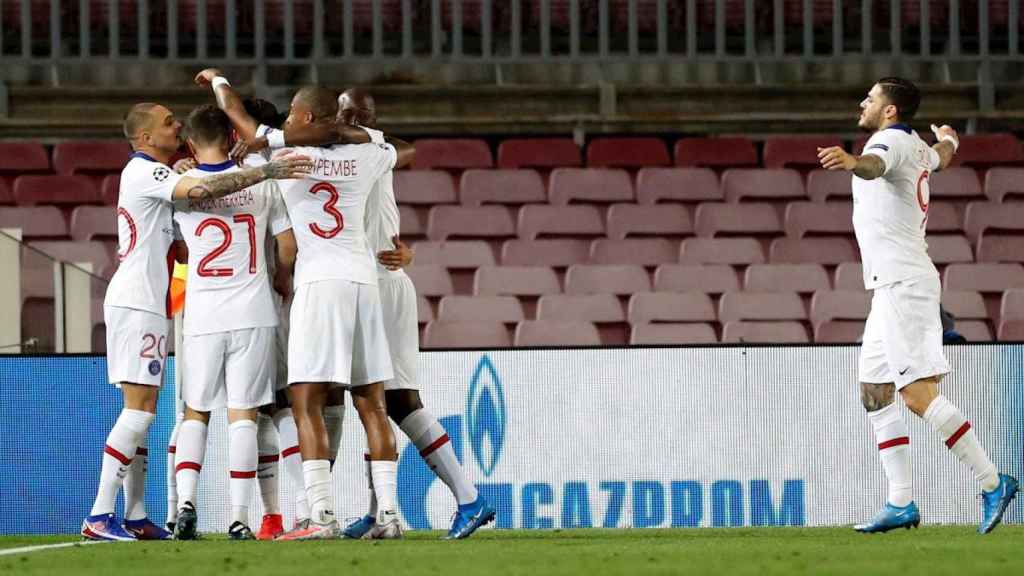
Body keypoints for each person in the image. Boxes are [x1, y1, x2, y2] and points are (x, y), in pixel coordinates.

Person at [81, 102, 312, 541]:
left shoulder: (165, 175)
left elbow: (188, 234)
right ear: (145, 137)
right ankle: (99, 514)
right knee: (144, 411)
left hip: (174, 307)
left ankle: (136, 514)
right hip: (146, 302)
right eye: (168, 122)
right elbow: (205, 194)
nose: (177, 126)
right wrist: (264, 172)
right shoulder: (145, 173)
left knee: (178, 412)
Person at [817, 77, 1018, 534]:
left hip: (904, 283)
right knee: (874, 391)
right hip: (891, 285)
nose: (863, 102)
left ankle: (991, 482)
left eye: (871, 98)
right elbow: (940, 159)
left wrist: (852, 161)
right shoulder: (915, 145)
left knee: (915, 394)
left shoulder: (887, 142)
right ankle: (901, 502)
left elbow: (873, 167)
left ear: (890, 111)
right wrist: (948, 140)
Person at [195, 71, 361, 538]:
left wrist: (281, 278)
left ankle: (305, 509)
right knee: (280, 406)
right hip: (289, 295)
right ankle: (290, 511)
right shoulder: (335, 156)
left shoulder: (270, 165)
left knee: (274, 407)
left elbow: (284, 248)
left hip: (264, 301)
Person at [334, 88, 496, 540]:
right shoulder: (364, 156)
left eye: (359, 115)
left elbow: (407, 150)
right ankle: (378, 511)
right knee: (379, 403)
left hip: (378, 287)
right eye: (347, 113)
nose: (353, 121)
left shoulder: (365, 148)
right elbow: (406, 153)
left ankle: (467, 499)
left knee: (389, 401)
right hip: (376, 282)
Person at [169, 105, 297, 541]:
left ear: (189, 144)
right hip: (254, 312)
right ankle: (239, 517)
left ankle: (186, 504)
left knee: (195, 413)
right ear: (232, 136)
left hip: (203, 314)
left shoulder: (179, 187)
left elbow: (180, 253)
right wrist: (281, 278)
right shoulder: (265, 184)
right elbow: (287, 246)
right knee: (244, 415)